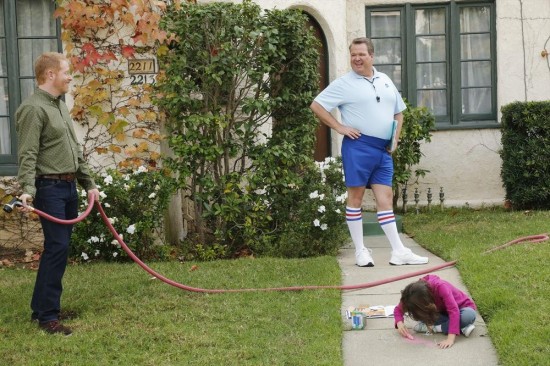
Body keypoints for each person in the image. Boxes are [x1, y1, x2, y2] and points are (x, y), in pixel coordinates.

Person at [310, 37, 428, 267]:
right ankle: (360, 251)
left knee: (385, 199)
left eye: (361, 54)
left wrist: (394, 140)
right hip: (359, 147)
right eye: (353, 54)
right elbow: (317, 105)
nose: (356, 58)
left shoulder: (384, 80)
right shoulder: (344, 83)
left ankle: (399, 252)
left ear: (371, 56)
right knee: (356, 198)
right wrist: (339, 127)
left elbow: (399, 112)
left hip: (383, 150)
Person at [16, 52, 100, 335]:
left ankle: (41, 307)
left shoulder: (59, 106)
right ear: (50, 74)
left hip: (68, 187)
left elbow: (75, 149)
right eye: (67, 72)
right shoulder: (33, 109)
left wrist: (89, 184)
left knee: (58, 250)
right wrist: (27, 191)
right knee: (57, 248)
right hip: (49, 188)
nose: (70, 78)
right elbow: (27, 154)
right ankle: (48, 317)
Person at [394, 274, 477, 349]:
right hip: (442, 314)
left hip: (460, 309)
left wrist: (450, 339)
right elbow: (398, 309)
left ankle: (436, 328)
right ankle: (461, 327)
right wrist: (399, 323)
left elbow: (454, 311)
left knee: (468, 315)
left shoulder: (441, 287)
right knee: (422, 314)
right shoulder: (411, 295)